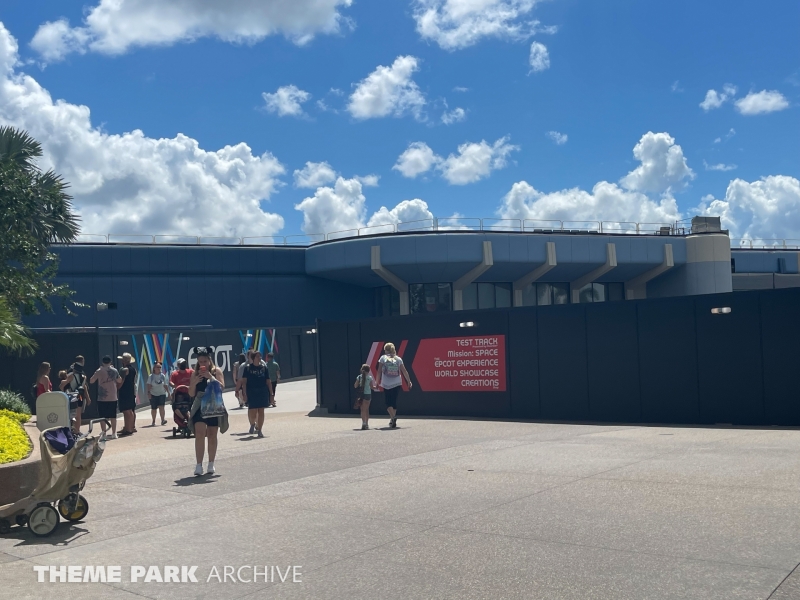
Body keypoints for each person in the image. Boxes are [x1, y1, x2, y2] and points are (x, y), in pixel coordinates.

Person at [188, 347, 228, 476]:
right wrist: (194, 382)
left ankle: (211, 463)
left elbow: (221, 387)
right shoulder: (195, 373)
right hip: (200, 403)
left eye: (205, 361)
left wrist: (211, 377)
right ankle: (198, 465)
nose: (203, 364)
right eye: (200, 362)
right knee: (199, 433)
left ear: (209, 360)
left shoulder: (216, 371)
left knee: (212, 434)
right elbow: (191, 393)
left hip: (213, 404)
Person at [375, 342, 412, 429]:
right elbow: (404, 371)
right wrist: (409, 381)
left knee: (388, 403)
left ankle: (393, 417)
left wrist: (376, 382)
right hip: (397, 383)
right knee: (394, 402)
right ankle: (392, 420)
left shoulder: (383, 358)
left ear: (385, 350)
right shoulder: (398, 359)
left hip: (386, 383)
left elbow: (379, 371)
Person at [236, 350, 273, 437]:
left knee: (261, 410)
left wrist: (271, 394)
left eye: (260, 356)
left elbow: (268, 381)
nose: (259, 358)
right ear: (253, 358)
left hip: (262, 391)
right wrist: (244, 393)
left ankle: (260, 430)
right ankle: (252, 423)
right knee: (253, 410)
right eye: (257, 356)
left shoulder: (264, 368)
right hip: (252, 392)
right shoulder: (248, 368)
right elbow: (244, 382)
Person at [90, 356, 122, 440]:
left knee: (102, 416)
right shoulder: (114, 370)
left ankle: (104, 433)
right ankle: (114, 433)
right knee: (113, 416)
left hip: (102, 397)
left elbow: (91, 380)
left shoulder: (99, 371)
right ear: (110, 362)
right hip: (113, 396)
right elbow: (119, 380)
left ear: (102, 362)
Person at [63, 356, 91, 435]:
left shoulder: (70, 373)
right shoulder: (82, 375)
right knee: (78, 414)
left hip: (70, 396)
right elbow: (84, 386)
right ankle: (76, 431)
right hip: (79, 396)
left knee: (72, 414)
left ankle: (73, 430)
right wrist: (88, 398)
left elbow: (63, 385)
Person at [117, 353, 138, 437]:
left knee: (126, 411)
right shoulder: (133, 369)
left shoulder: (124, 370)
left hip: (124, 391)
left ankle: (128, 429)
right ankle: (129, 427)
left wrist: (117, 388)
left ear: (124, 360)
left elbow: (121, 381)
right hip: (131, 391)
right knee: (130, 410)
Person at [146, 362, 170, 427]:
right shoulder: (151, 376)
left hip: (161, 393)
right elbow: (149, 385)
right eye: (157, 367)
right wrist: (149, 393)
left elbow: (165, 385)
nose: (159, 368)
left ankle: (163, 420)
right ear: (154, 368)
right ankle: (153, 421)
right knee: (154, 408)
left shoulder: (162, 376)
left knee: (161, 407)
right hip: (153, 394)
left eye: (160, 367)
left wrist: (168, 393)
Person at [170, 358, 193, 423]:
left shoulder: (190, 372)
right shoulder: (175, 374)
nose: (183, 365)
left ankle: (190, 419)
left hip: (189, 392)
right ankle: (183, 419)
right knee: (176, 406)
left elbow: (196, 377)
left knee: (189, 406)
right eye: (181, 364)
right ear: (178, 365)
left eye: (184, 363)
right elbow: (171, 382)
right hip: (179, 393)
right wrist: (175, 386)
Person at [354, 364, 376, 430]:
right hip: (368, 394)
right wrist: (376, 386)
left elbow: (355, 386)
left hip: (361, 395)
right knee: (366, 409)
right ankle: (366, 423)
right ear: (368, 371)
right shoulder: (370, 378)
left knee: (362, 409)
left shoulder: (359, 377)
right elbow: (372, 387)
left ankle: (363, 423)